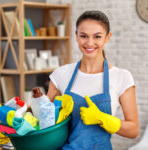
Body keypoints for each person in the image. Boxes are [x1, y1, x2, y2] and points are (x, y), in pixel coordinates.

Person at [47, 10, 139, 150]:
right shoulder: (61, 74)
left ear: (108, 37)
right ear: (76, 36)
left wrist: (103, 118)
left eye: (97, 36)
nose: (90, 43)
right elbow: (44, 120)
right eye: (84, 36)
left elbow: (133, 130)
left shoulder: (121, 77)